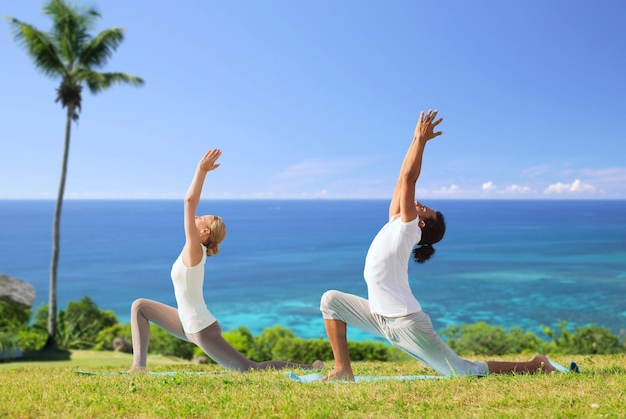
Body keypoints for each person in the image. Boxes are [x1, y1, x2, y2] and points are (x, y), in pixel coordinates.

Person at [319, 110, 556, 381]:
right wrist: (414, 138)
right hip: (380, 317)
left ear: (421, 225)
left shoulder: (408, 230)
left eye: (425, 209)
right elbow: (401, 179)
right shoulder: (396, 221)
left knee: (464, 372)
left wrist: (422, 142)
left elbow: (410, 179)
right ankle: (342, 370)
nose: (419, 203)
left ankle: (537, 365)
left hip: (407, 324)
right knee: (331, 301)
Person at [128, 149, 323, 373]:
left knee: (250, 370)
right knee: (140, 306)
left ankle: (310, 367)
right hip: (184, 322)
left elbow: (189, 201)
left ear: (203, 233)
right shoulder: (192, 248)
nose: (197, 216)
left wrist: (201, 170)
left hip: (202, 328)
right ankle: (138, 368)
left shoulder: (195, 249)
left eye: (202, 218)